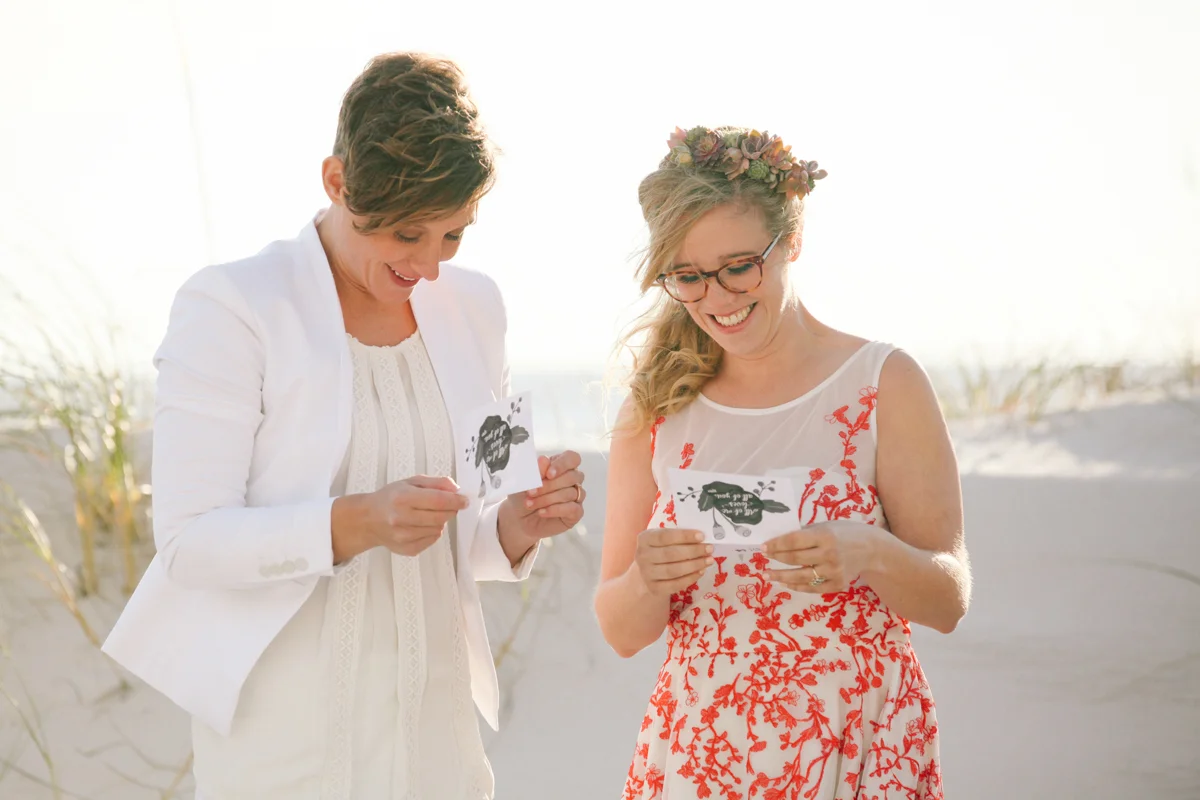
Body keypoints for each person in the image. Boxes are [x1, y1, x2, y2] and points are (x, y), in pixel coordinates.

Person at [102, 52, 586, 799]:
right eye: (405, 236)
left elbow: (467, 537)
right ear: (336, 182)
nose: (429, 266)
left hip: (437, 737)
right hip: (288, 737)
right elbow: (191, 542)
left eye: (453, 235)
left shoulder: (476, 309)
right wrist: (357, 522)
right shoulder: (234, 305)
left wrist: (521, 523)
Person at [595, 126, 969, 799]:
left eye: (740, 266)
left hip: (857, 746)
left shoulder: (884, 382)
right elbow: (621, 632)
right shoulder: (654, 408)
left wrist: (871, 552)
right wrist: (647, 581)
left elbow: (948, 600)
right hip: (699, 756)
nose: (717, 298)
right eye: (687, 276)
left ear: (791, 241)